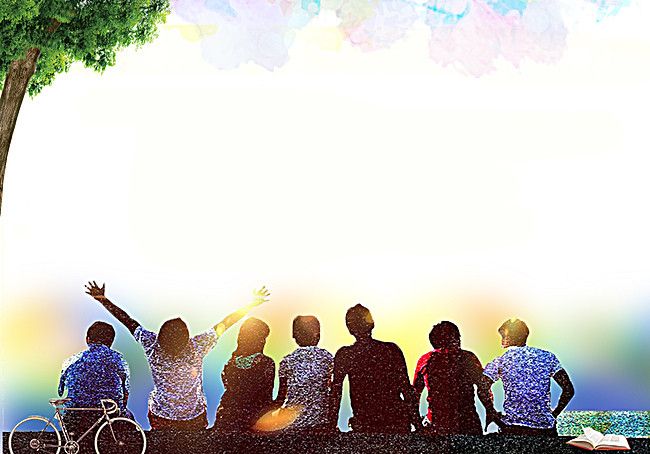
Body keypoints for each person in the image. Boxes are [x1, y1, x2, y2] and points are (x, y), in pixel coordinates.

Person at [85, 281, 270, 430]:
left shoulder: (152, 344)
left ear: (161, 336)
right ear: (186, 339)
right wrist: (251, 304)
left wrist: (103, 300)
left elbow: (128, 321)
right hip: (193, 418)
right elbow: (226, 323)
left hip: (161, 417)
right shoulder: (197, 345)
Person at [329, 304, 420, 433]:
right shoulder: (391, 349)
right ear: (372, 324)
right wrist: (418, 425)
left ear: (349, 329)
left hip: (365, 424)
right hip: (396, 422)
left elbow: (336, 393)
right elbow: (406, 389)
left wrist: (331, 426)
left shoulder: (346, 355)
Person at [482, 318, 575, 436]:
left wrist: (492, 414)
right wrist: (554, 414)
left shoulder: (501, 361)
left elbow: (482, 388)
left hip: (513, 429)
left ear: (509, 338)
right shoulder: (548, 357)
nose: (502, 340)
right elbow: (569, 390)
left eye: (503, 336)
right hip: (544, 429)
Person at [413, 321, 493, 435]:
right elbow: (483, 388)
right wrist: (491, 412)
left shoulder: (426, 360)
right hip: (468, 424)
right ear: (456, 338)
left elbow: (414, 394)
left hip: (438, 425)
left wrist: (417, 423)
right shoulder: (468, 357)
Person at [58, 321, 131, 439]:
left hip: (74, 418)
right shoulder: (118, 359)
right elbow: (125, 391)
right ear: (111, 342)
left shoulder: (70, 360)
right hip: (107, 417)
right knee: (129, 419)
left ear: (87, 339)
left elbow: (60, 391)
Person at [213, 317, 275, 432]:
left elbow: (229, 390)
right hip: (254, 420)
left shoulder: (231, 362)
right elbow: (266, 397)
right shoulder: (266, 362)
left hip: (227, 418)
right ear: (259, 339)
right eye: (264, 337)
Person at [275, 315, 334, 433]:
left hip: (292, 424)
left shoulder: (287, 361)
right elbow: (333, 390)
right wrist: (332, 421)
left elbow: (280, 398)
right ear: (318, 334)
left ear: (294, 336)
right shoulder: (326, 357)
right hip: (319, 423)